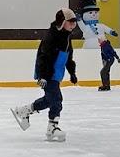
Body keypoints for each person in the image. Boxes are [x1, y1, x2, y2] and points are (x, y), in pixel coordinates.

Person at [11, 8, 79, 142]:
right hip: (48, 74)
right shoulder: (52, 36)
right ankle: (52, 128)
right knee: (57, 99)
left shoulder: (66, 37)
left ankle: (25, 111)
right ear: (62, 22)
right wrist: (42, 76)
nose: (73, 24)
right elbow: (44, 57)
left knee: (50, 100)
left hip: (56, 74)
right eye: (70, 21)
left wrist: (72, 73)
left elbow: (69, 58)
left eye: (74, 22)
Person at [76, 0, 120, 91]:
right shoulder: (86, 27)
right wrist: (79, 19)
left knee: (104, 71)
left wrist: (112, 32)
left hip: (103, 51)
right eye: (91, 12)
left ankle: (106, 85)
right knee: (104, 71)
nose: (93, 14)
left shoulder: (101, 26)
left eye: (95, 12)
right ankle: (106, 85)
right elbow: (81, 25)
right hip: (89, 47)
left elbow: (107, 29)